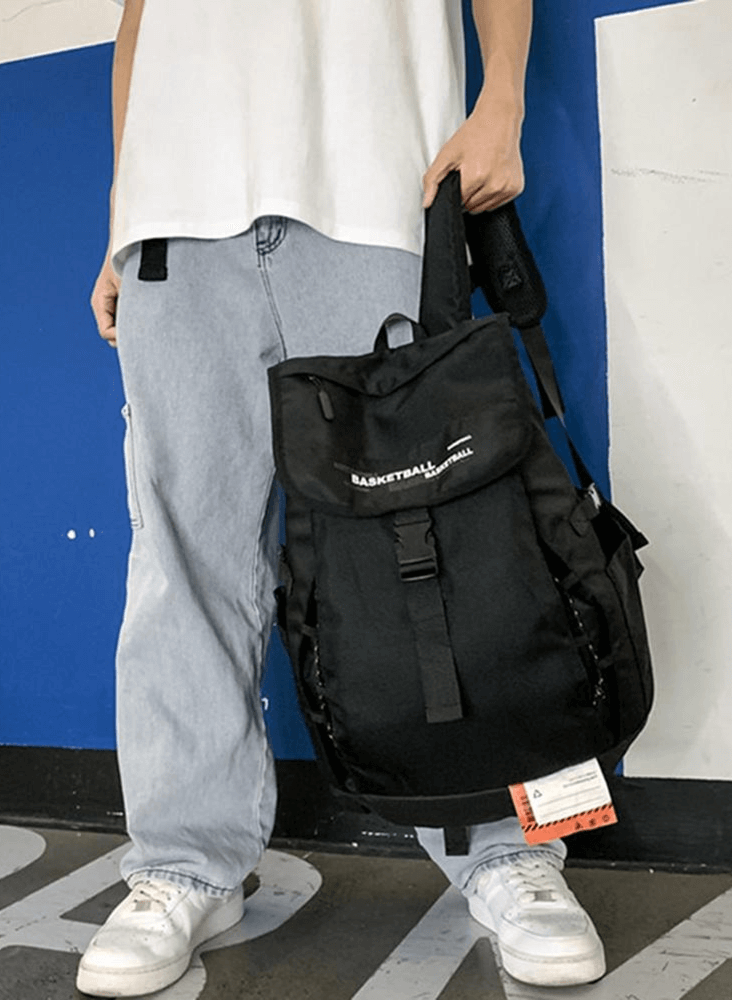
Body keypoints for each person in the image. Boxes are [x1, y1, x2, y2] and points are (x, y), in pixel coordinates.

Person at [78, 1, 606, 995]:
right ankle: (185, 865)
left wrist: (502, 103)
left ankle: (506, 851)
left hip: (373, 180)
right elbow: (141, 19)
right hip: (173, 221)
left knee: (443, 541)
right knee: (182, 555)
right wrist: (122, 213)